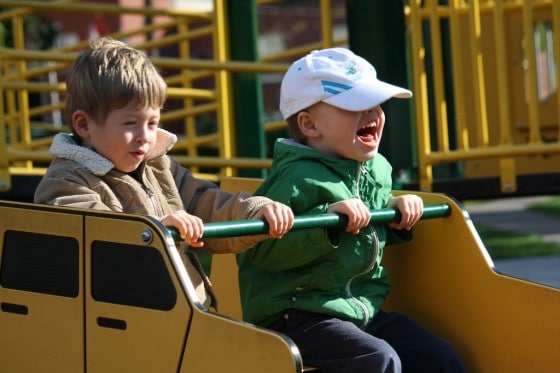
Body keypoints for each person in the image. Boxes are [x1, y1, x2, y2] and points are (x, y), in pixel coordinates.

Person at [237, 48, 466, 372]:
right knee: (377, 359)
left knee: (435, 355)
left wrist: (395, 212)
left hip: (360, 309)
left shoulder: (377, 169)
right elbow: (261, 251)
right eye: (355, 106)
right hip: (298, 315)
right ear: (309, 124)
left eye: (375, 104)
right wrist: (325, 221)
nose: (372, 112)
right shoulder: (295, 178)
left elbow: (370, 226)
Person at [34, 37, 294, 310]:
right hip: (123, 323)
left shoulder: (161, 168)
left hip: (184, 317)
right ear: (84, 125)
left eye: (153, 122)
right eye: (131, 123)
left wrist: (255, 210)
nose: (144, 137)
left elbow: (207, 202)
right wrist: (156, 228)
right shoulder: (66, 182)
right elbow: (97, 237)